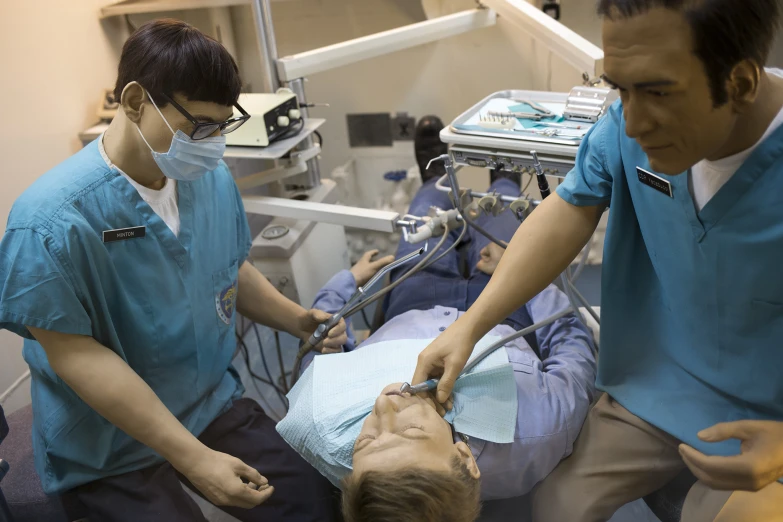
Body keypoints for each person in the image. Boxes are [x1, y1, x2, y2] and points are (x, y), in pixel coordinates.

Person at [412, 1, 783, 521]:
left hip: (771, 415)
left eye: (657, 92)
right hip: (659, 384)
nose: (631, 123)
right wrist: (472, 326)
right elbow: (569, 207)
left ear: (740, 84)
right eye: (619, 89)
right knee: (557, 506)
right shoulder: (623, 129)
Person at [0, 19, 346, 522]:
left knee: (314, 502)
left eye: (221, 128)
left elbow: (225, 265)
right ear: (137, 101)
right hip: (106, 440)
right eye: (198, 127)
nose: (212, 145)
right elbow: (73, 354)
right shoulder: (50, 221)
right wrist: (192, 457)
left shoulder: (206, 177)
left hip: (207, 403)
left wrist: (297, 319)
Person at [292, 160, 596, 521]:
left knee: (427, 211)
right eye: (412, 430)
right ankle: (507, 174)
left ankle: (432, 170)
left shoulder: (322, 430)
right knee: (503, 208)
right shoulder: (539, 430)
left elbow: (320, 342)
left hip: (411, 300)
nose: (385, 405)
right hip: (507, 309)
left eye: (365, 440)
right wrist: (525, 278)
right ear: (464, 460)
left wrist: (346, 283)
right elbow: (572, 344)